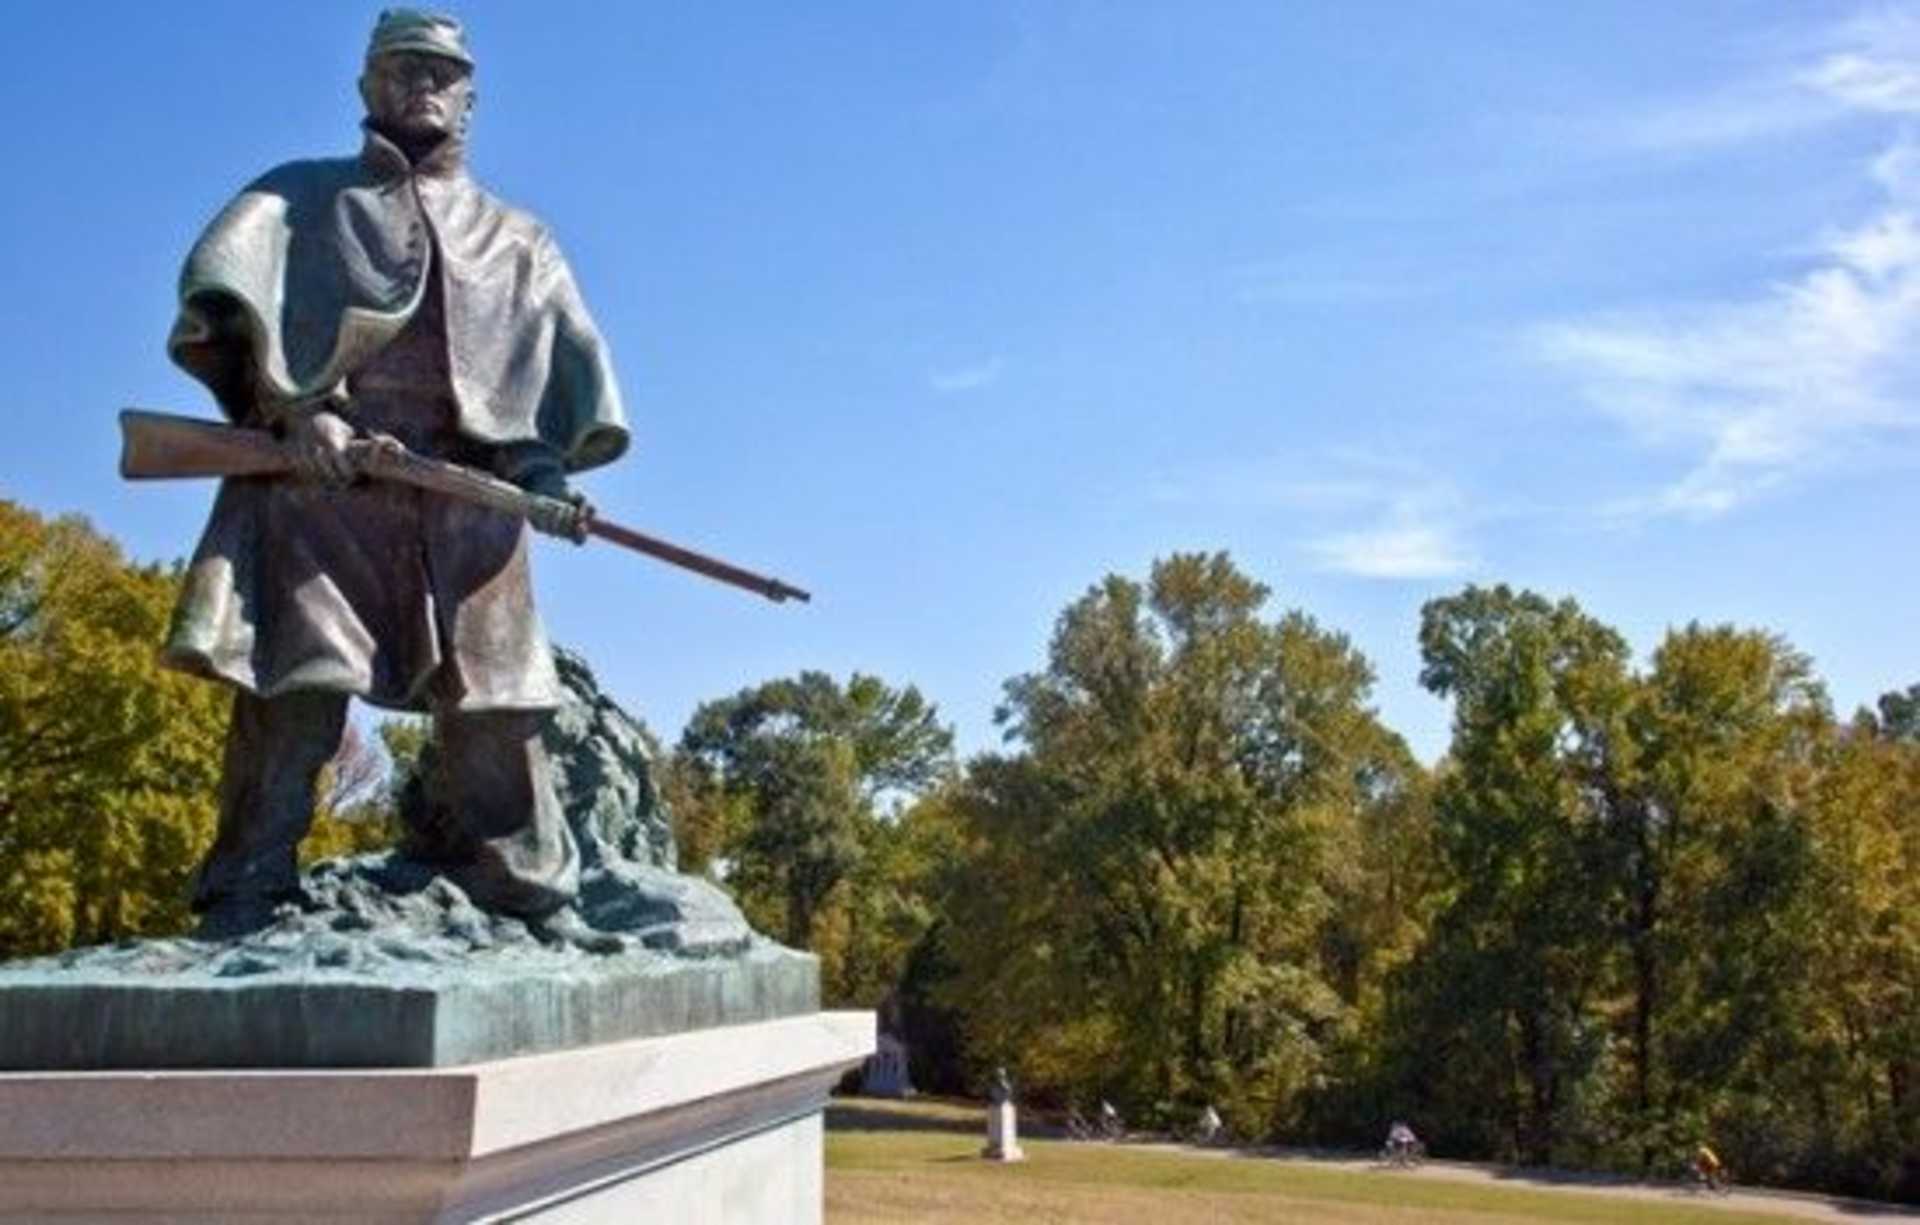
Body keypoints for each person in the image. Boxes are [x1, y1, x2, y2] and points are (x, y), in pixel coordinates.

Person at [160, 9, 628, 946]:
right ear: (366, 86)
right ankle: (245, 888)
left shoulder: (519, 239)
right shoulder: (299, 196)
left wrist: (545, 476)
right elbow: (226, 302)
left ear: (470, 99)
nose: (422, 84)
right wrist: (298, 411)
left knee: (502, 699)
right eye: (401, 67)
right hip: (321, 489)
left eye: (441, 73)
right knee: (295, 687)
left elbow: (545, 382)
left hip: (466, 498)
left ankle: (528, 896)